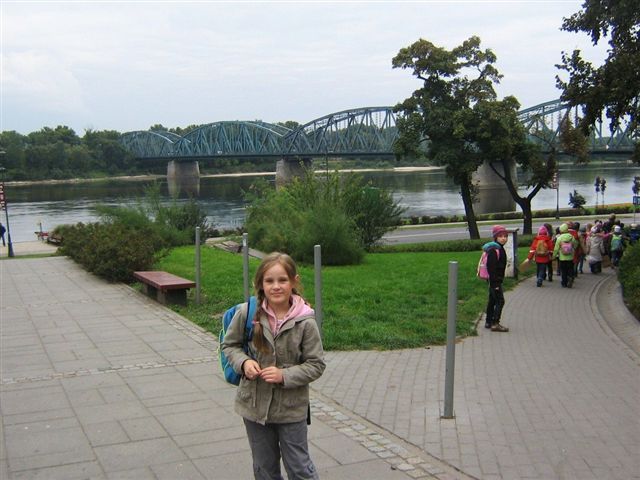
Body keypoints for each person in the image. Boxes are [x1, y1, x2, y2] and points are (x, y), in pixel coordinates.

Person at [221, 252, 325, 480]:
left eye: (282, 280)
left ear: (294, 281)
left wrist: (284, 375)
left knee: (299, 467)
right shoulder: (247, 313)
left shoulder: (305, 322)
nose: (276, 286)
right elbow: (229, 345)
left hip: (291, 409)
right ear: (260, 283)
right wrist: (244, 362)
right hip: (254, 407)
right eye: (269, 281)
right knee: (264, 468)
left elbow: (316, 364)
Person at [483, 225, 509, 332]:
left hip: (495, 280)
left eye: (505, 236)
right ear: (495, 237)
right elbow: (491, 268)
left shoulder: (499, 248)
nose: (503, 238)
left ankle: (488, 321)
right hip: (495, 281)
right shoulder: (494, 250)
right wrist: (495, 284)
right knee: (500, 301)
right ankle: (495, 323)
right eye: (500, 236)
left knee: (492, 300)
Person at [553, 223, 578, 288]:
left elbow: (556, 249)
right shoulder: (571, 237)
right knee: (570, 269)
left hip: (562, 258)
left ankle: (564, 283)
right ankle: (570, 277)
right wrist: (572, 248)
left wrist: (554, 256)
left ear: (561, 230)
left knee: (563, 271)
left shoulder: (559, 238)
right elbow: (575, 245)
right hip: (570, 257)